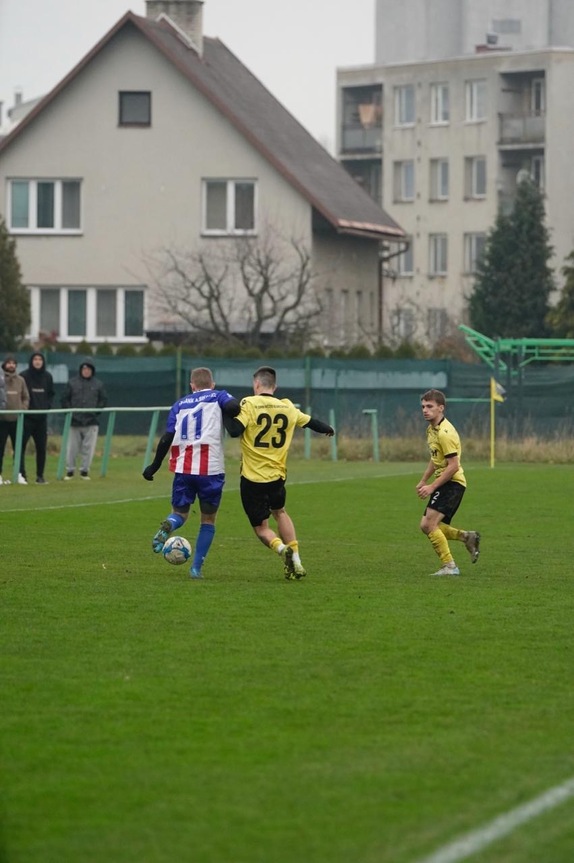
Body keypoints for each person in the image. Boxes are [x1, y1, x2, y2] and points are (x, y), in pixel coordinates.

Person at [223, 365, 335, 580]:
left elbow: (235, 431)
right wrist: (328, 429)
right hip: (277, 477)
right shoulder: (287, 407)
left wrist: (225, 413)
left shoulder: (249, 403)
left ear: (256, 384)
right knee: (280, 512)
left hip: (252, 478)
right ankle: (297, 561)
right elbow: (312, 423)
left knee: (261, 528)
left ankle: (283, 550)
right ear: (275, 386)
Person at [142, 367, 240, 579]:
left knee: (180, 513)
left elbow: (167, 437)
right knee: (208, 520)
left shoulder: (179, 405)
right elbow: (233, 405)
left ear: (192, 386)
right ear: (211, 384)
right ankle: (196, 568)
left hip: (183, 469)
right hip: (210, 470)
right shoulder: (218, 396)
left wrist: (154, 466)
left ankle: (169, 525)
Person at [416, 389, 480, 576]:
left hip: (452, 483)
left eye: (430, 407)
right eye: (423, 407)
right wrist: (424, 480)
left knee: (429, 525)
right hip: (445, 483)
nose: (425, 410)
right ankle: (467, 537)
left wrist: (432, 487)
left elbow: (453, 466)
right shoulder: (431, 429)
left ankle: (450, 566)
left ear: (441, 408)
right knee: (426, 525)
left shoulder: (445, 432)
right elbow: (436, 459)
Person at [61, 359, 107, 480]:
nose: (86, 371)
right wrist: (71, 413)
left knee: (89, 448)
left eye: (88, 369)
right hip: (74, 421)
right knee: (71, 448)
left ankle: (84, 471)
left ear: (92, 371)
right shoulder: (72, 383)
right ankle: (70, 471)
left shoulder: (98, 384)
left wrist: (95, 412)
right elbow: (64, 399)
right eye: (84, 369)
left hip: (91, 421)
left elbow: (103, 400)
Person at [20, 352, 55, 484]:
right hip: (26, 419)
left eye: (40, 359)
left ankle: (40, 476)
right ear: (31, 361)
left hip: (41, 420)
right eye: (35, 359)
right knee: (20, 447)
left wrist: (47, 406)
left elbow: (51, 394)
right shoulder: (23, 376)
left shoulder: (48, 377)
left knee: (41, 448)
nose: (37, 361)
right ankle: (21, 475)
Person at [0, 355, 30, 485]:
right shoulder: (1, 379)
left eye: (13, 363)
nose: (11, 365)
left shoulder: (21, 380)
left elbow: (26, 397)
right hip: (2, 420)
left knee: (19, 449)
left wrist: (22, 409)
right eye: (9, 363)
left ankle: (19, 474)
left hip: (17, 420)